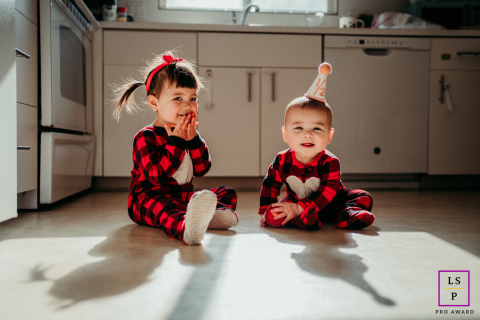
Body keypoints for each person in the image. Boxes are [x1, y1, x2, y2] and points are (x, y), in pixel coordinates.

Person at [112, 52, 238, 245]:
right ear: (154, 103)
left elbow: (202, 169)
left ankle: (206, 217)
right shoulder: (145, 137)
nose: (187, 105)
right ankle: (187, 227)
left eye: (193, 98)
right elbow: (156, 176)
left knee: (226, 192)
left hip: (181, 198)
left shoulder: (187, 133)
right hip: (148, 199)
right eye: (178, 98)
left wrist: (194, 139)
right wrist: (177, 142)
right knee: (164, 208)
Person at [258, 63, 375, 230]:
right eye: (298, 128)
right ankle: (305, 218)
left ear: (329, 136)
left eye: (317, 128)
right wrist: (266, 210)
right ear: (285, 134)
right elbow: (270, 185)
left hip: (333, 204)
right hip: (298, 203)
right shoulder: (282, 160)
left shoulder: (330, 162)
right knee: (282, 208)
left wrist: (298, 208)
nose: (307, 134)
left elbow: (327, 192)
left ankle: (347, 214)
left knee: (363, 196)